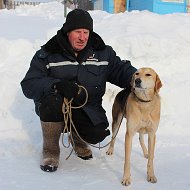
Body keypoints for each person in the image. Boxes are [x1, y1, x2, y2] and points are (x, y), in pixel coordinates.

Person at [20, 9, 137, 172]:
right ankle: (50, 150)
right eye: (77, 32)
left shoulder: (103, 53)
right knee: (52, 100)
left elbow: (120, 70)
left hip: (87, 107)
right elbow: (29, 84)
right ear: (68, 32)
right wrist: (56, 84)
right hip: (57, 107)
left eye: (86, 32)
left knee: (97, 133)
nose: (82, 37)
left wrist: (137, 78)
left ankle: (78, 139)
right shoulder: (48, 53)